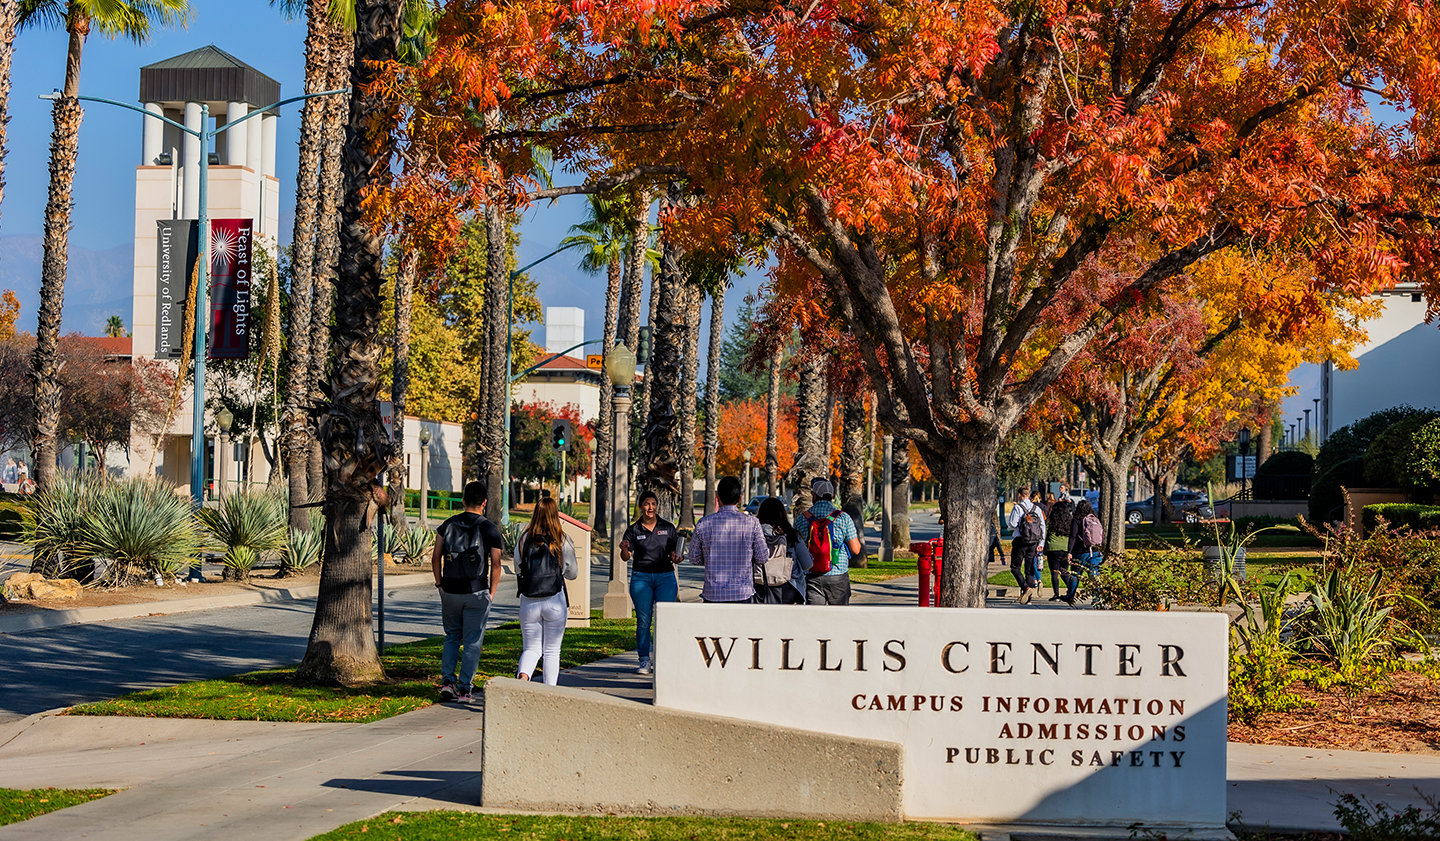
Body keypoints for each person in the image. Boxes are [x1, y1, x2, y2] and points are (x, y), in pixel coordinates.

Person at [430, 480, 504, 702]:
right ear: (484, 502)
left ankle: (447, 681)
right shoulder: (490, 528)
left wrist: (439, 585)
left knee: (452, 636)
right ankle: (464, 689)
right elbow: (497, 563)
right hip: (476, 591)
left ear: (463, 501)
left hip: (450, 591)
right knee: (472, 640)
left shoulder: (447, 525)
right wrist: (491, 593)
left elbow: (435, 557)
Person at [515, 497, 580, 684]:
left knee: (531, 648)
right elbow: (573, 573)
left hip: (529, 600)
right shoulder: (563, 539)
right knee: (552, 650)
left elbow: (518, 567)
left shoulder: (524, 538)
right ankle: (549, 692)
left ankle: (523, 677)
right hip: (555, 600)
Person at [621, 490, 680, 675]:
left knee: (664, 619)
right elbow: (625, 557)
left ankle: (663, 659)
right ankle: (644, 660)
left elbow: (676, 553)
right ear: (641, 507)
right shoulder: (633, 529)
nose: (650, 508)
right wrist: (623, 549)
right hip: (641, 578)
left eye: (653, 504)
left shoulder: (668, 527)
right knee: (644, 621)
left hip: (665, 578)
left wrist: (677, 556)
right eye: (647, 504)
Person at [688, 475, 768, 604]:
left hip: (713, 594)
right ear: (739, 498)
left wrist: (710, 557)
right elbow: (762, 557)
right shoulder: (752, 523)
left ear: (717, 498)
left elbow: (693, 558)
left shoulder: (704, 523)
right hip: (743, 594)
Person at [795, 479, 863, 605]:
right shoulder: (843, 517)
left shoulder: (802, 518)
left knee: (815, 617)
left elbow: (795, 548)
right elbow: (855, 549)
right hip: (837, 574)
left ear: (814, 496)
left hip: (811, 575)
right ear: (832, 496)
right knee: (838, 617)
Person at [754, 496, 813, 604]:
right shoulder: (792, 536)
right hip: (790, 588)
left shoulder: (754, 535)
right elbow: (807, 564)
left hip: (759, 588)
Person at [1005, 486, 1046, 604]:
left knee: (1015, 567)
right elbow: (1042, 525)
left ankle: (1026, 588)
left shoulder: (1018, 508)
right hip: (1033, 542)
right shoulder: (1036, 509)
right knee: (1029, 570)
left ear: (1019, 495)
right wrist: (1041, 542)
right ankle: (1028, 599)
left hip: (1020, 541)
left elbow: (1012, 524)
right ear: (1029, 495)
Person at [1063, 498, 1102, 605]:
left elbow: (1073, 536)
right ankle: (1097, 597)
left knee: (1075, 574)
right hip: (1095, 551)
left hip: (1080, 552)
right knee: (1094, 574)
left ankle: (1070, 595)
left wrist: (1069, 551)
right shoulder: (1094, 519)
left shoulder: (1077, 520)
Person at [1044, 498, 1075, 601]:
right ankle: (1071, 590)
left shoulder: (1051, 520)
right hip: (1066, 548)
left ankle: (1056, 594)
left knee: (1055, 572)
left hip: (1053, 548)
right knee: (1064, 571)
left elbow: (1045, 532)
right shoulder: (1070, 520)